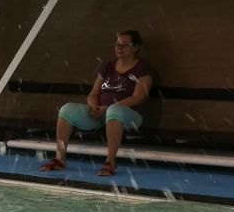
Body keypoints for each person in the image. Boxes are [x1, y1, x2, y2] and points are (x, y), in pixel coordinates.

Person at [39, 30, 155, 177]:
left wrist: (109, 108)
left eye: (125, 44)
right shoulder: (108, 67)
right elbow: (93, 94)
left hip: (129, 116)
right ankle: (60, 158)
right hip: (101, 114)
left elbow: (139, 97)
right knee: (67, 109)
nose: (119, 48)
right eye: (117, 44)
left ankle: (110, 162)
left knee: (114, 110)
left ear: (135, 47)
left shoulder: (142, 68)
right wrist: (94, 106)